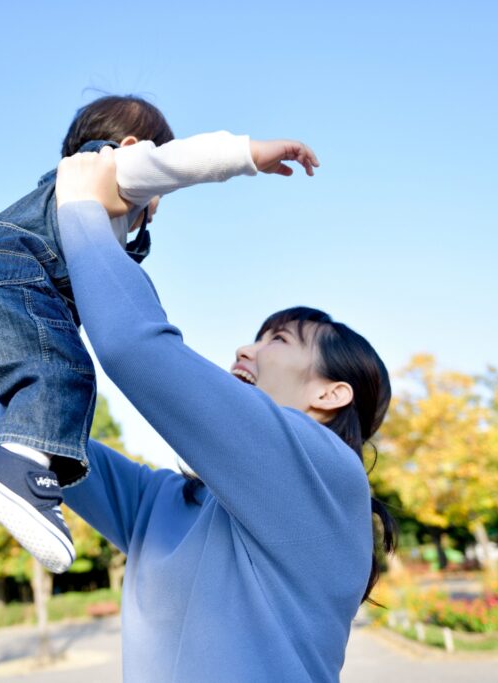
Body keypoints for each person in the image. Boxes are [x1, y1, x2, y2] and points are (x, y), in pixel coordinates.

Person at [0, 94, 321, 617]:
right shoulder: (107, 170)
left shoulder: (45, 197)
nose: (156, 203)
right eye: (158, 196)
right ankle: (25, 468)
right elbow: (178, 161)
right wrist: (249, 155)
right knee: (61, 369)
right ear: (129, 145)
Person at [53, 146, 396, 682]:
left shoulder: (327, 473)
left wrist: (81, 210)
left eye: (278, 340)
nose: (246, 350)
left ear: (331, 395)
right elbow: (48, 440)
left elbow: (133, 345)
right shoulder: (167, 504)